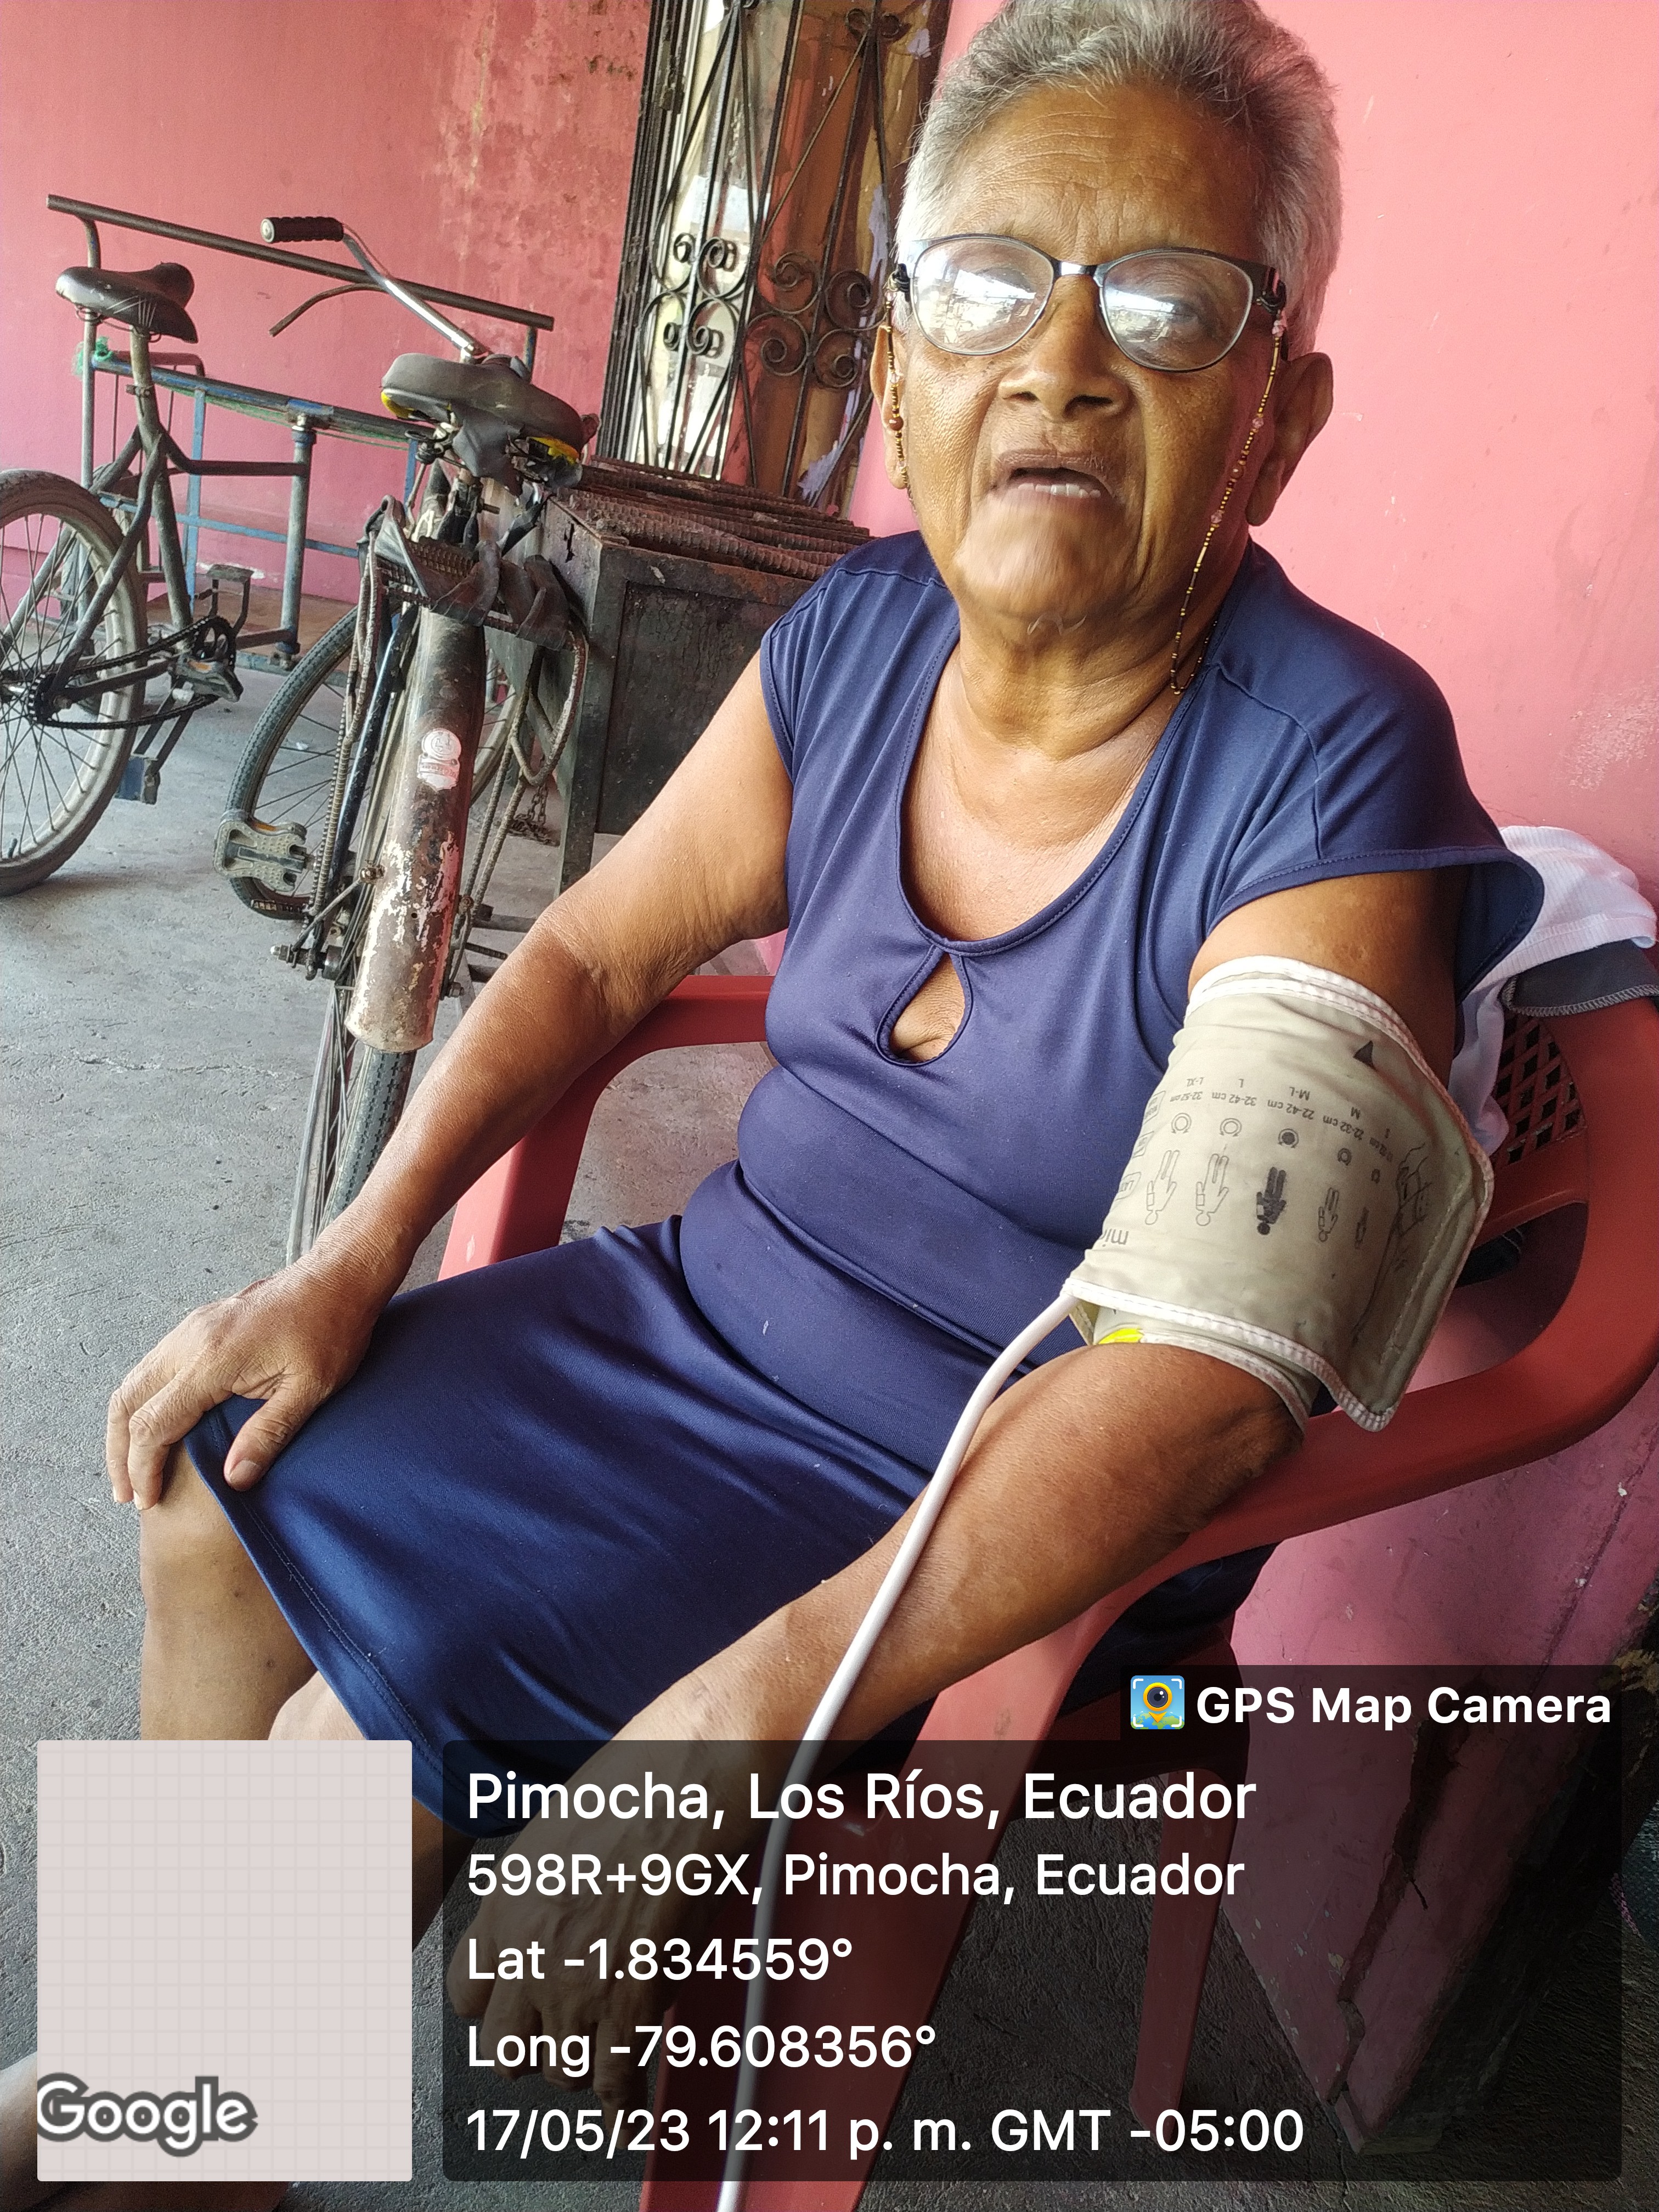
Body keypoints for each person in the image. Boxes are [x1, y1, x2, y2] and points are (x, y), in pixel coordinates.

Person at [4, 2, 1543, 2200]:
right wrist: (350, 1258)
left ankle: (154, 2128)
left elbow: (1215, 1384)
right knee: (218, 1471)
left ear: (1278, 417)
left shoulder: (1336, 768)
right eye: (989, 285)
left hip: (975, 1482)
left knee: (362, 1753)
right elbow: (591, 953)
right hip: (697, 1320)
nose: (1062, 363)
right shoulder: (863, 636)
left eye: (1166, 304)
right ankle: (188, 2124)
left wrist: (744, 1712)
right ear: (897, 373)